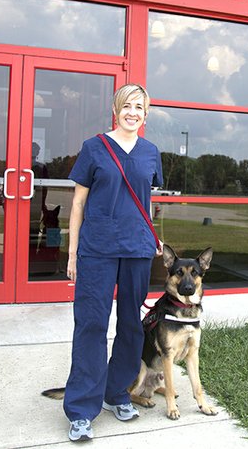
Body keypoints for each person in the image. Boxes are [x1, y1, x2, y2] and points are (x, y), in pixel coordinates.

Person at [63, 84, 163, 442]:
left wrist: (152, 235)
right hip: (97, 249)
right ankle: (80, 409)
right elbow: (77, 205)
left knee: (131, 326)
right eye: (127, 106)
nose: (133, 112)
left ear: (146, 114)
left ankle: (116, 392)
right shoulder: (94, 148)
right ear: (115, 109)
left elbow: (145, 201)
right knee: (91, 324)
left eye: (139, 107)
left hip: (136, 249)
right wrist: (73, 253)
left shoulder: (151, 152)